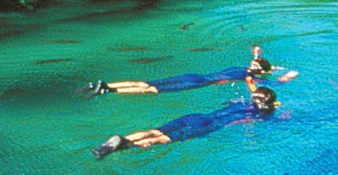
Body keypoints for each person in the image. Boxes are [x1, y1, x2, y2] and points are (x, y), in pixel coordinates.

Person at [93, 78, 280, 158]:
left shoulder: (240, 103)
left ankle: (124, 138)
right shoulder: (261, 114)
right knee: (161, 140)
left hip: (195, 116)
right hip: (206, 125)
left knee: (154, 131)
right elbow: (263, 117)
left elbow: (254, 92)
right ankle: (125, 146)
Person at [87, 45, 296, 96]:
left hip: (194, 76)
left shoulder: (244, 68)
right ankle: (110, 90)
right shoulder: (249, 76)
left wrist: (258, 55)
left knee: (147, 82)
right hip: (196, 83)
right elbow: (256, 91)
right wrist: (283, 79)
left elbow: (256, 63)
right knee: (151, 90)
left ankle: (107, 84)